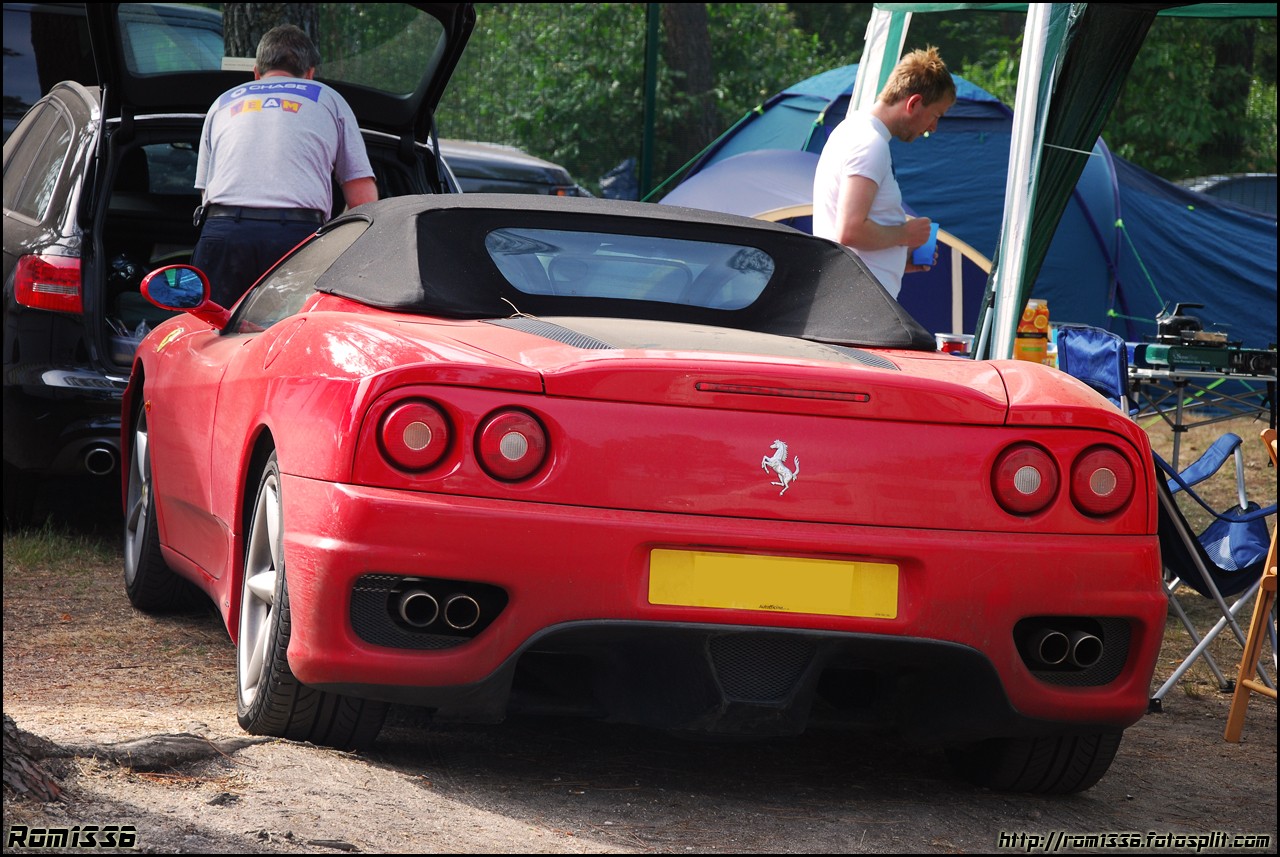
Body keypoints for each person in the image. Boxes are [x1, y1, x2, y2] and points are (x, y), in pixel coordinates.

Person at [192, 24, 378, 308]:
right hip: (295, 238)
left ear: (256, 73)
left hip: (223, 232)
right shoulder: (328, 98)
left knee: (213, 331)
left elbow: (205, 193)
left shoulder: (222, 102)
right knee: (287, 338)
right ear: (311, 74)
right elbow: (363, 199)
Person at [812, 46, 956, 299]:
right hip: (857, 304)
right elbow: (850, 231)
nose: (933, 127)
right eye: (935, 115)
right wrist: (905, 235)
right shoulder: (870, 144)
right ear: (914, 103)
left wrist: (899, 257)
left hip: (850, 295)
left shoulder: (853, 130)